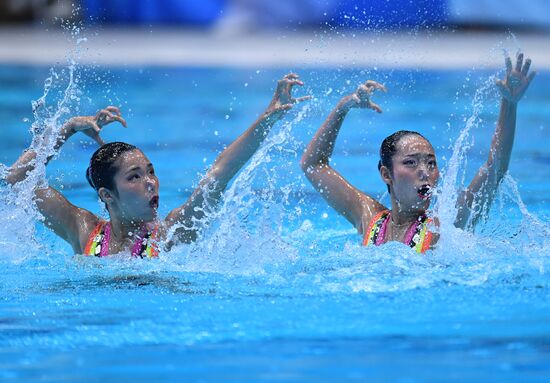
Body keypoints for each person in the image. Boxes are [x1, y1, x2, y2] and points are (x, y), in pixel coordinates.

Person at [3, 73, 310, 257]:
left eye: (150, 171)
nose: (150, 181)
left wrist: (266, 118)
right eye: (134, 177)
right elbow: (19, 179)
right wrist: (68, 128)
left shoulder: (169, 235)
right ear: (107, 195)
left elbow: (219, 175)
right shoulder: (83, 230)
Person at [300, 53, 535, 253]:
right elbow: (313, 165)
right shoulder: (369, 217)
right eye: (411, 163)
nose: (425, 172)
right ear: (386, 174)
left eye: (431, 163)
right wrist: (344, 107)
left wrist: (509, 104)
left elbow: (495, 169)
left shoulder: (443, 226)